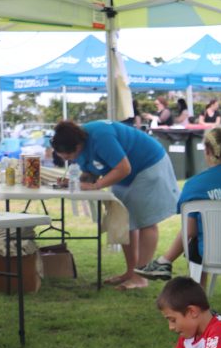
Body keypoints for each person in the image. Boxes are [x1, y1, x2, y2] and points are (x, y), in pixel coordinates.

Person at [51, 119, 178, 290]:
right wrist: (76, 182)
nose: (68, 160)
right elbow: (91, 171)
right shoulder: (77, 141)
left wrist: (96, 186)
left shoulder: (101, 137)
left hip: (148, 165)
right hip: (125, 172)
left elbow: (124, 168)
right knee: (123, 219)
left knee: (145, 222)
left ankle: (141, 278)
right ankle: (131, 272)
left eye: (68, 156)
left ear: (78, 145)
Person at [135, 128, 221, 282]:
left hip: (209, 255)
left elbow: (190, 231)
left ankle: (193, 287)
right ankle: (164, 262)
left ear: (208, 151)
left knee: (194, 241)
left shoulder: (194, 184)